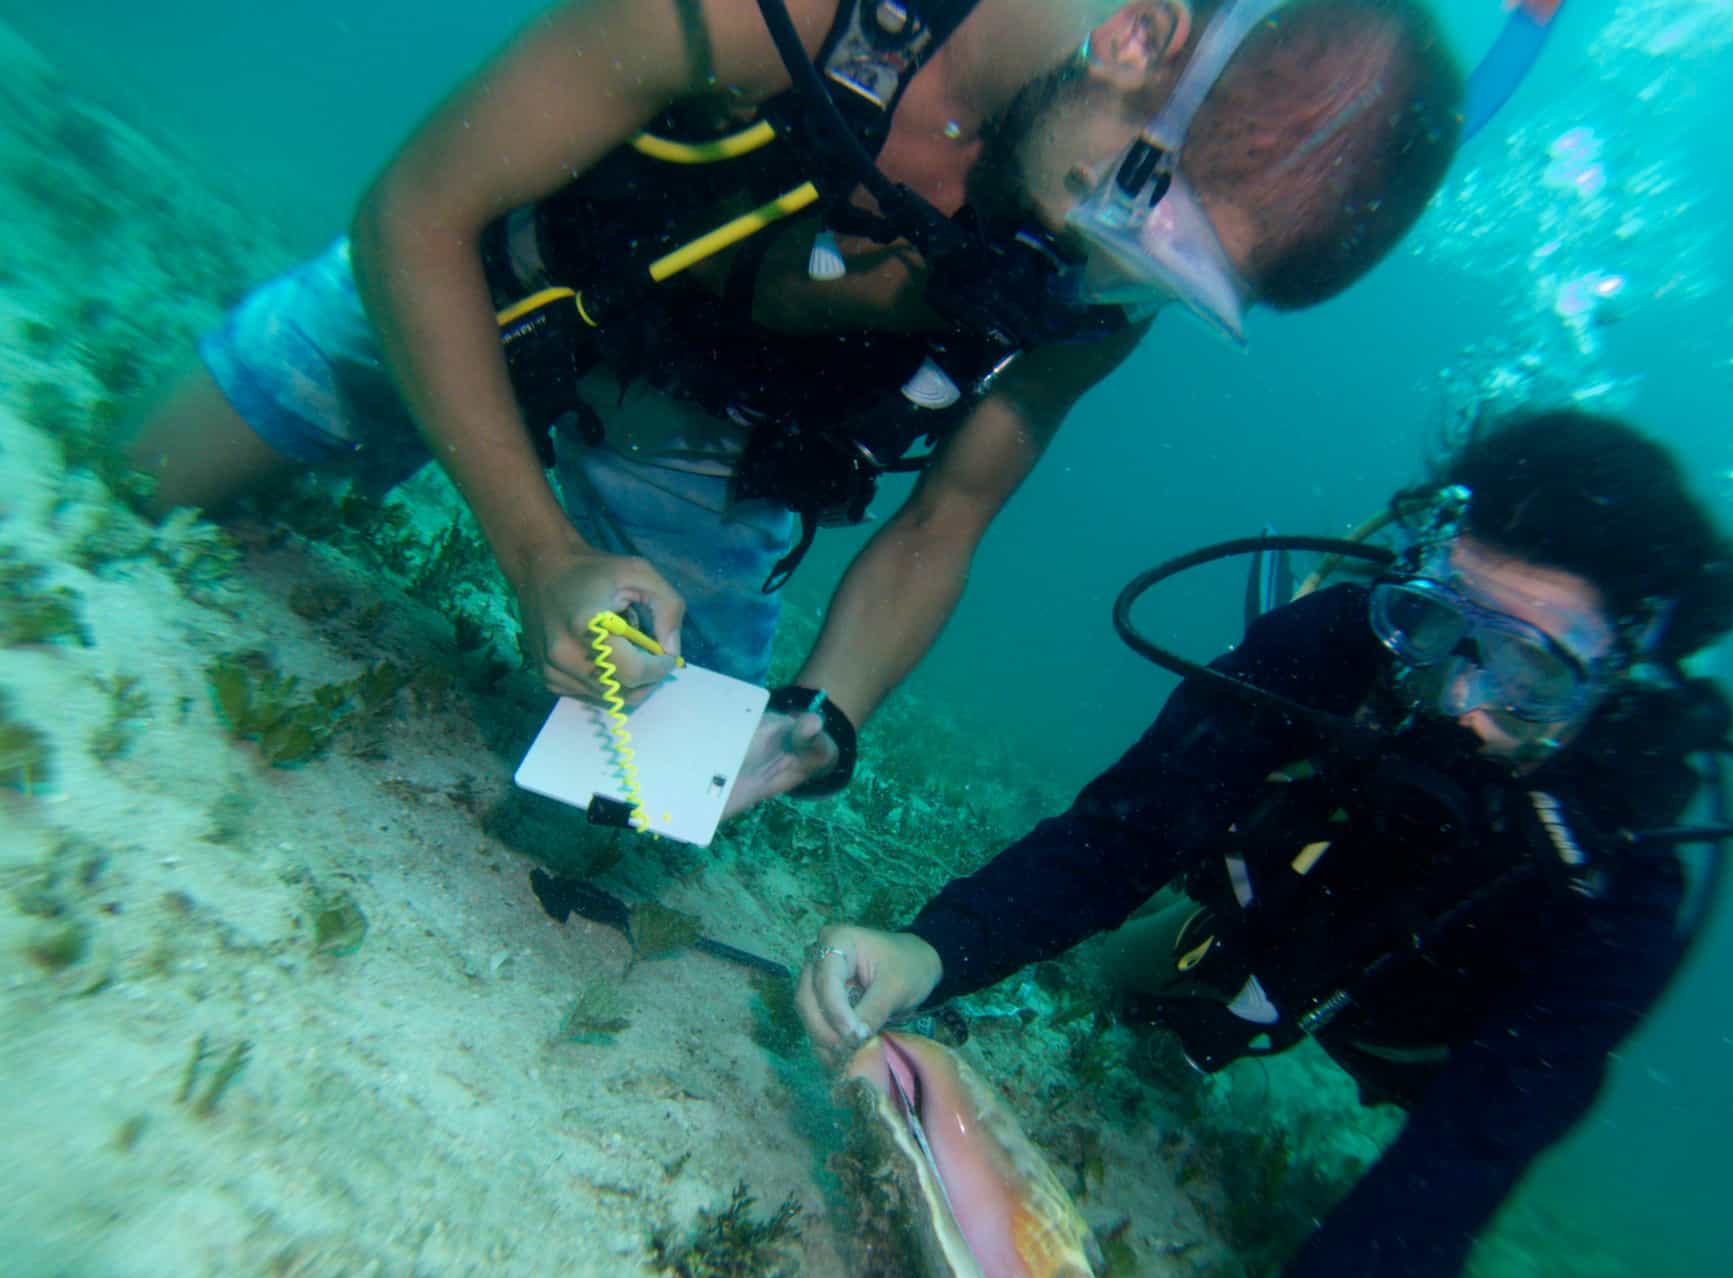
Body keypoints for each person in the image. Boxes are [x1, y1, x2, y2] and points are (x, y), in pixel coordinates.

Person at [125, 0, 1471, 813]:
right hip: (500, 283)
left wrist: (823, 716)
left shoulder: (1103, 290)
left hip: (718, 457)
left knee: (634, 827)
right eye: (1142, 214)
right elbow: (414, 211)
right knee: (142, 491)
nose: (1121, 274)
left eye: (1187, 282)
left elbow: (944, 522)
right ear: (1134, 39)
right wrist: (540, 555)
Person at [795, 409, 1733, 1278]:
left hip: (1417, 1042)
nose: (1459, 699)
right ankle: (1183, 969)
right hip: (1257, 927)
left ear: (1618, 674)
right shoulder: (1331, 646)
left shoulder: (1624, 879)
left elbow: (1472, 1146)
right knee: (1123, 983)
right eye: (1442, 625)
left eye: (1531, 673)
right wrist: (930, 948)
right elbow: (1125, 830)